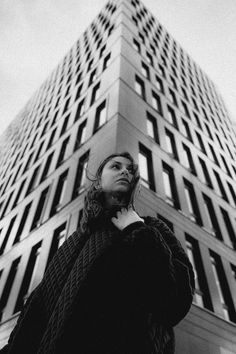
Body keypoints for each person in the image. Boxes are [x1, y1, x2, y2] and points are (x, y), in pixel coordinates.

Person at [0, 151, 195, 354]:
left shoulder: (150, 228)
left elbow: (178, 298)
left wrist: (137, 230)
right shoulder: (73, 242)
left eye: (130, 170)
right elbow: (38, 311)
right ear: (98, 182)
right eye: (116, 166)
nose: (125, 172)